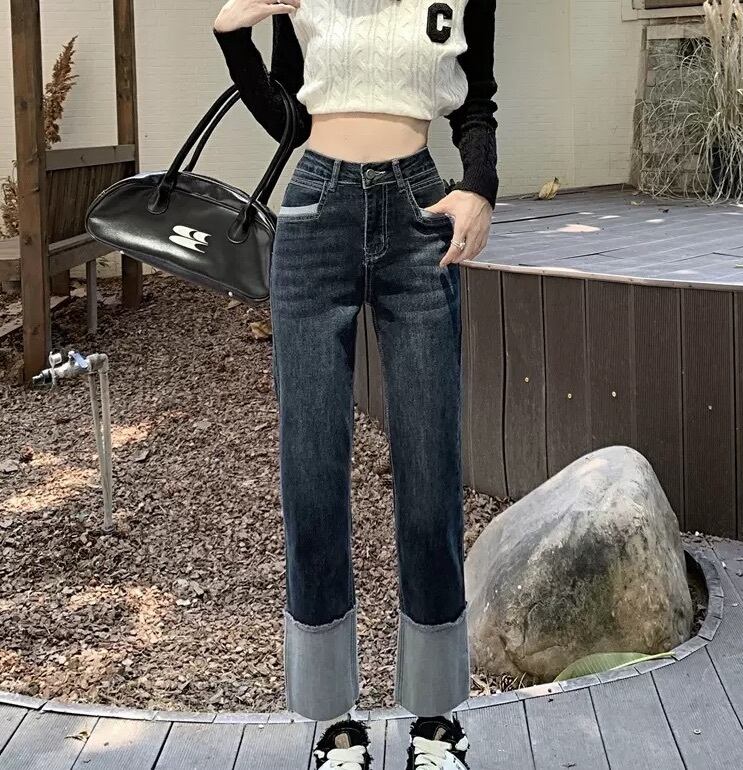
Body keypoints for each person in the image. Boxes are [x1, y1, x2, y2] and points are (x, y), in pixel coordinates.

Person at [213, 0, 498, 767]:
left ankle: (436, 721)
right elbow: (287, 115)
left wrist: (481, 185)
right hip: (315, 212)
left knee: (431, 472)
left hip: (420, 213)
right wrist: (233, 35)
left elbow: (475, 99)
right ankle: (336, 724)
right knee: (311, 476)